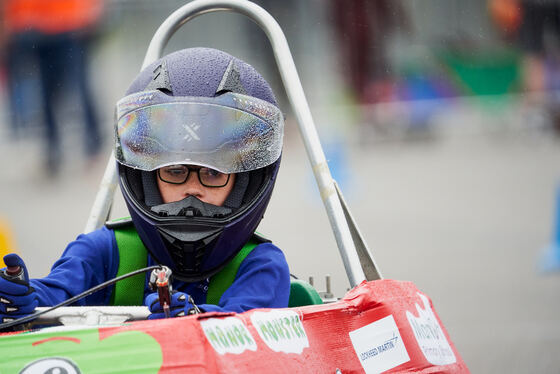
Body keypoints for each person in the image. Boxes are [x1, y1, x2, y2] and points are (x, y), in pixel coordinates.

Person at [0, 48, 290, 322]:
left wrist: (193, 321)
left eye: (213, 174)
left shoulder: (261, 265)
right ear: (147, 176)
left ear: (246, 182)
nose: (192, 189)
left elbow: (248, 329)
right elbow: (55, 297)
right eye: (176, 171)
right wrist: (23, 300)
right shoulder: (106, 251)